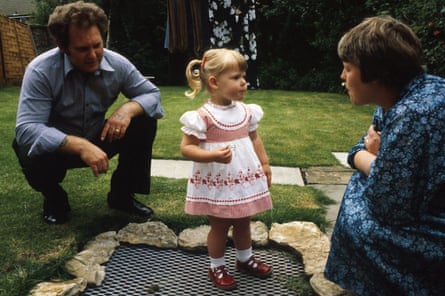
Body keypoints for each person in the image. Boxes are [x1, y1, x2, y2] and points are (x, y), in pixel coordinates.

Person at [13, 1, 164, 225]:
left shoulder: (117, 63)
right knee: (25, 145)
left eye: (97, 45)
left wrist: (127, 109)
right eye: (82, 49)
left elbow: (151, 95)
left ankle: (122, 195)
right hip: (57, 149)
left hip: (98, 136)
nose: (93, 55)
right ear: (62, 46)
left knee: (144, 120)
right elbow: (26, 128)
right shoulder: (40, 70)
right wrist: (79, 145)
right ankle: (54, 198)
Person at [324, 16, 445, 295]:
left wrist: (367, 159)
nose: (342, 77)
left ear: (375, 73)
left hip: (434, 227)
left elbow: (387, 205)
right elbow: (364, 143)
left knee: (358, 211)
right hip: (424, 204)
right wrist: (366, 156)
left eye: (348, 68)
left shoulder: (412, 115)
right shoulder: (408, 94)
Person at [179, 48, 273, 290]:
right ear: (214, 82)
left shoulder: (246, 111)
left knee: (244, 220)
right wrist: (211, 155)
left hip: (242, 179)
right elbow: (187, 148)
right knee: (219, 225)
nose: (244, 82)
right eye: (236, 77)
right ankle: (217, 265)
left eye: (244, 76)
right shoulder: (203, 116)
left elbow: (254, 139)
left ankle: (245, 259)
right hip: (218, 181)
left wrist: (265, 164)